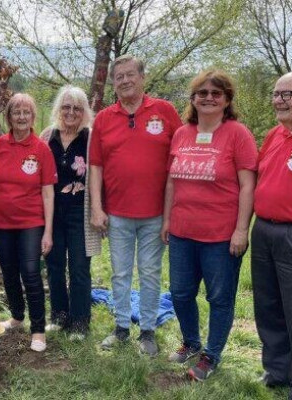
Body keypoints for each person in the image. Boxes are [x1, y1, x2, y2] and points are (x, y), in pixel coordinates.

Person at [161, 69, 257, 381]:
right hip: (182, 232)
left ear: (227, 100)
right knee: (180, 292)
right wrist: (166, 220)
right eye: (202, 92)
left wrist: (242, 229)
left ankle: (211, 356)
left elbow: (247, 185)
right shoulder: (182, 134)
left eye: (216, 93)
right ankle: (191, 342)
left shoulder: (237, 134)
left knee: (219, 298)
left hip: (221, 236)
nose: (208, 98)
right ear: (193, 98)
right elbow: (172, 182)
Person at [89, 54, 182, 356]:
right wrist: (97, 208)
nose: (125, 80)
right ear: (114, 83)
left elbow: (181, 158)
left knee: (151, 272)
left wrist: (174, 212)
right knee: (120, 274)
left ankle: (148, 331)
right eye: (119, 77)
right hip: (117, 214)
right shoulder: (103, 118)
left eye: (131, 74)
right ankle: (120, 328)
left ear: (143, 77)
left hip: (156, 214)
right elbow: (95, 167)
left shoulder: (165, 112)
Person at [0, 93, 57, 352]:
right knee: (9, 272)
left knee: (30, 273)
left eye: (26, 112)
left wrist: (48, 232)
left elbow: (48, 192)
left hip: (30, 222)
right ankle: (17, 317)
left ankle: (38, 329)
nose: (21, 117)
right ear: (8, 116)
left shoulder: (41, 149)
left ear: (33, 116)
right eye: (16, 112)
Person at [39, 86, 101, 340]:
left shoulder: (91, 138)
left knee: (78, 267)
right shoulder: (46, 136)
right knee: (54, 265)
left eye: (77, 108)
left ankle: (80, 320)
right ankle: (59, 315)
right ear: (58, 109)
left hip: (80, 213)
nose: (71, 112)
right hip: (52, 213)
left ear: (85, 111)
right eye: (66, 107)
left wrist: (99, 209)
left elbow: (100, 176)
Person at [251, 72, 292, 397]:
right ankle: (277, 370)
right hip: (263, 230)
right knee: (268, 304)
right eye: (276, 94)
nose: (279, 100)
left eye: (287, 94)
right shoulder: (274, 135)